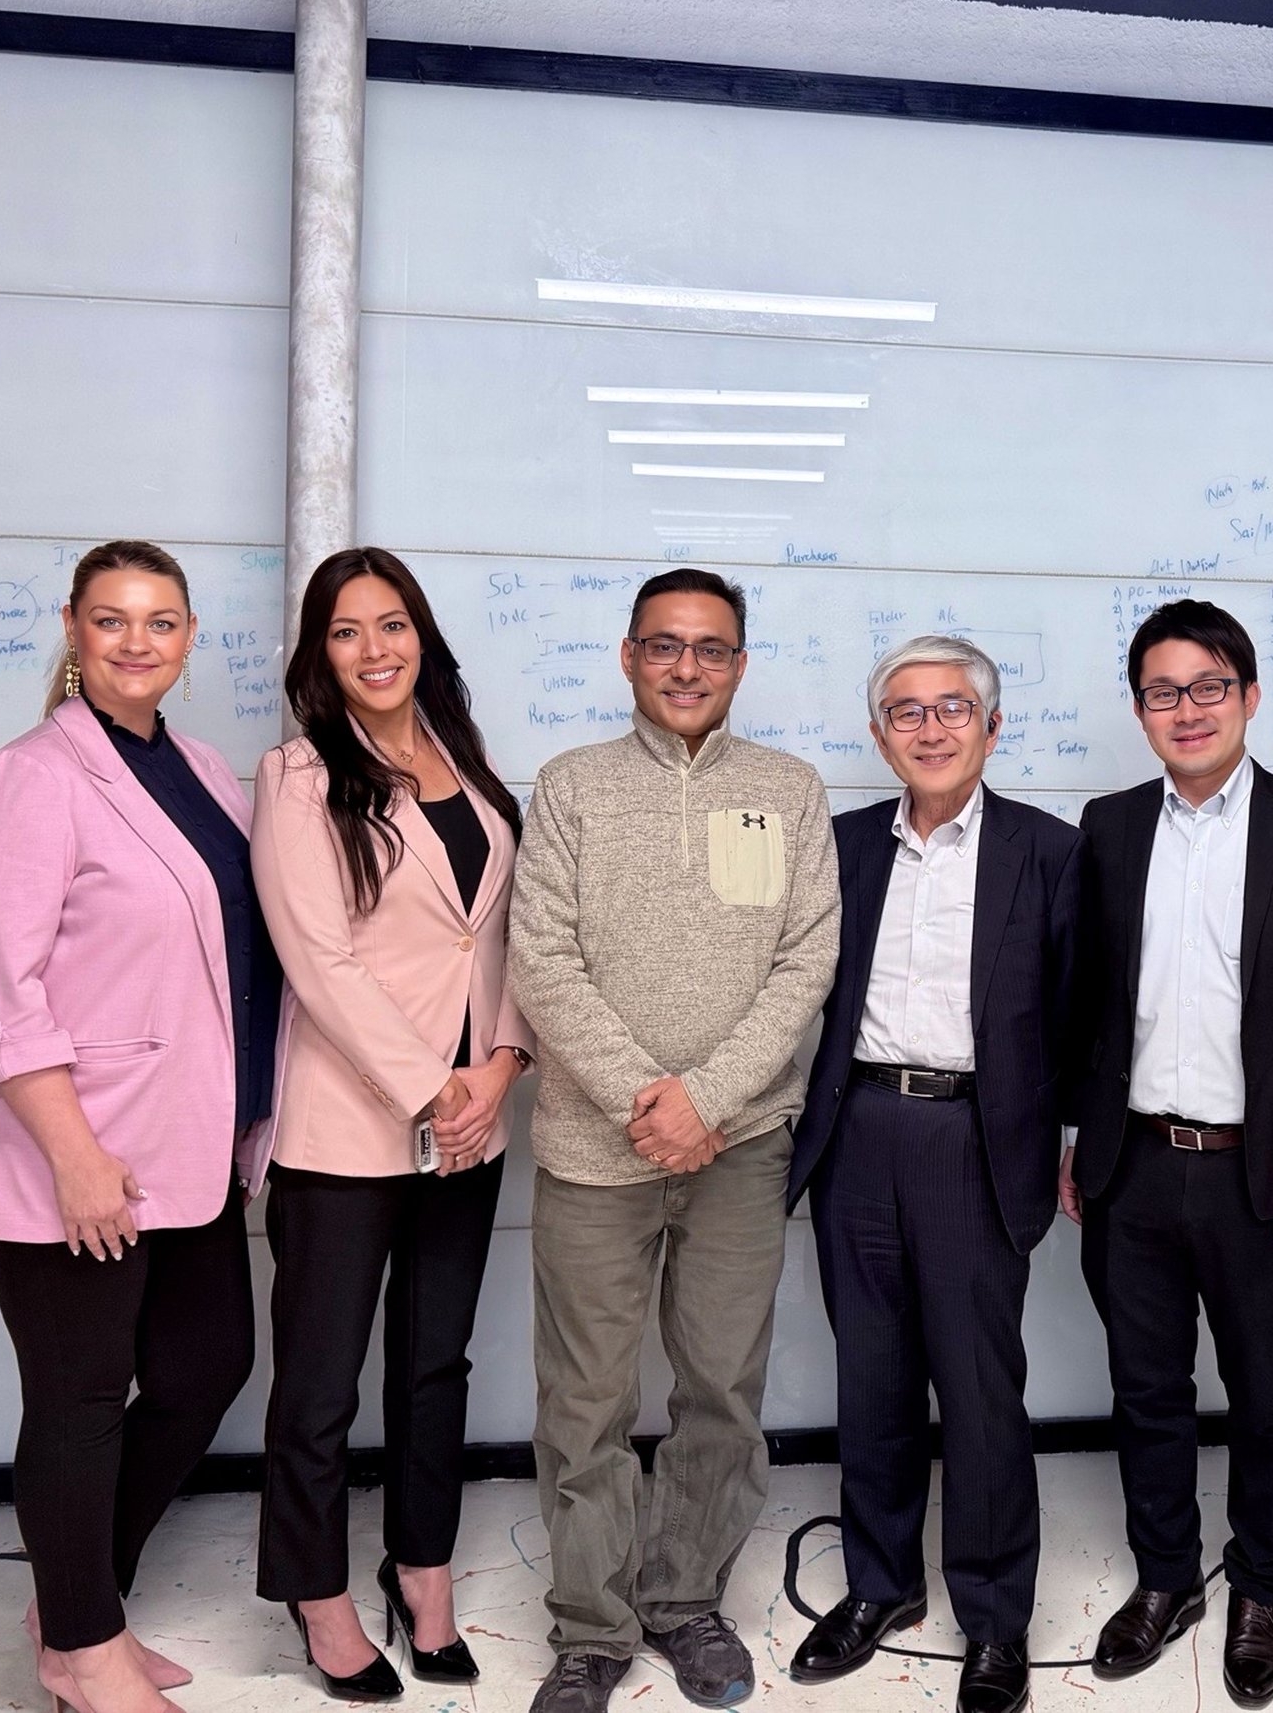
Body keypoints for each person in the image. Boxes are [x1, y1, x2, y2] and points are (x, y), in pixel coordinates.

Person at [0, 539, 277, 1713]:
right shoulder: (29, 774)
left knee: (205, 1370)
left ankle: (78, 1595)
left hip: (185, 1149)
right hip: (73, 1154)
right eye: (111, 619)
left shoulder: (194, 765)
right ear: (75, 632)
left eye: (162, 622)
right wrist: (75, 1155)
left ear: (188, 640)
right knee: (80, 1399)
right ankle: (80, 1651)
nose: (137, 642)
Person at [508, 567, 840, 1713]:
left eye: (711, 648)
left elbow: (806, 963)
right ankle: (592, 1630)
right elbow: (540, 960)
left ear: (740, 664)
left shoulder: (790, 792)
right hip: (593, 1152)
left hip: (740, 1148)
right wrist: (645, 1098)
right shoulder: (570, 788)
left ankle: (685, 1599)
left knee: (720, 1387)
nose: (687, 667)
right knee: (585, 1400)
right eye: (665, 646)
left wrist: (707, 1101)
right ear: (628, 656)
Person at [1061, 598, 1273, 1711]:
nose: (1187, 708)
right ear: (1140, 708)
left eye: (1210, 686)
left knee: (1267, 1395)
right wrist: (1074, 1136)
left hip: (1268, 1169)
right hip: (1133, 1164)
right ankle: (1167, 1582)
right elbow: (1086, 1006)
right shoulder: (1106, 827)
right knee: (1144, 1389)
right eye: (1163, 690)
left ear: (1248, 696)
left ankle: (1259, 1589)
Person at [250, 548, 536, 1701]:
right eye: (347, 632)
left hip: (475, 1119)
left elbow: (504, 934)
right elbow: (316, 960)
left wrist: (503, 1065)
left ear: (423, 634)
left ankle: (423, 1572)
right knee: (320, 1382)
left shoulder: (465, 762)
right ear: (319, 654)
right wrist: (434, 1087)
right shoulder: (298, 775)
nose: (376, 650)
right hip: (351, 1126)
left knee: (434, 1367)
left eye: (393, 624)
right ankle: (316, 1597)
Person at [784, 636, 1082, 1713]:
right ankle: (880, 1586)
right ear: (879, 735)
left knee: (978, 1389)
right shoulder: (840, 845)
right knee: (869, 1377)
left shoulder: (1050, 852)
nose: (930, 727)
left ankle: (996, 1618)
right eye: (905, 712)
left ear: (992, 728)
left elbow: (1080, 1013)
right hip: (856, 1130)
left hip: (974, 1137)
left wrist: (1075, 1138)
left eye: (952, 708)